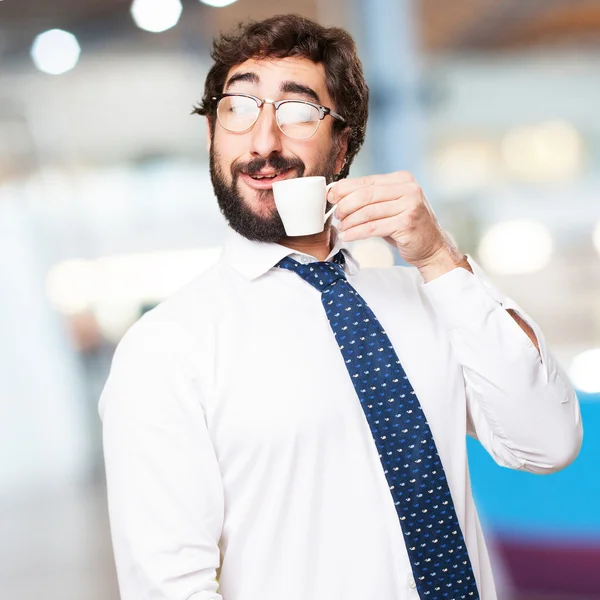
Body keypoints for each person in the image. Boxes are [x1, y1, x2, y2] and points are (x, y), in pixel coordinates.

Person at [99, 14, 582, 600]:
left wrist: (437, 255)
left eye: (300, 112)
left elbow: (547, 441)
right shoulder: (168, 348)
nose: (264, 141)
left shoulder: (428, 300)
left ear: (343, 146)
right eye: (239, 109)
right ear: (212, 137)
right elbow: (169, 588)